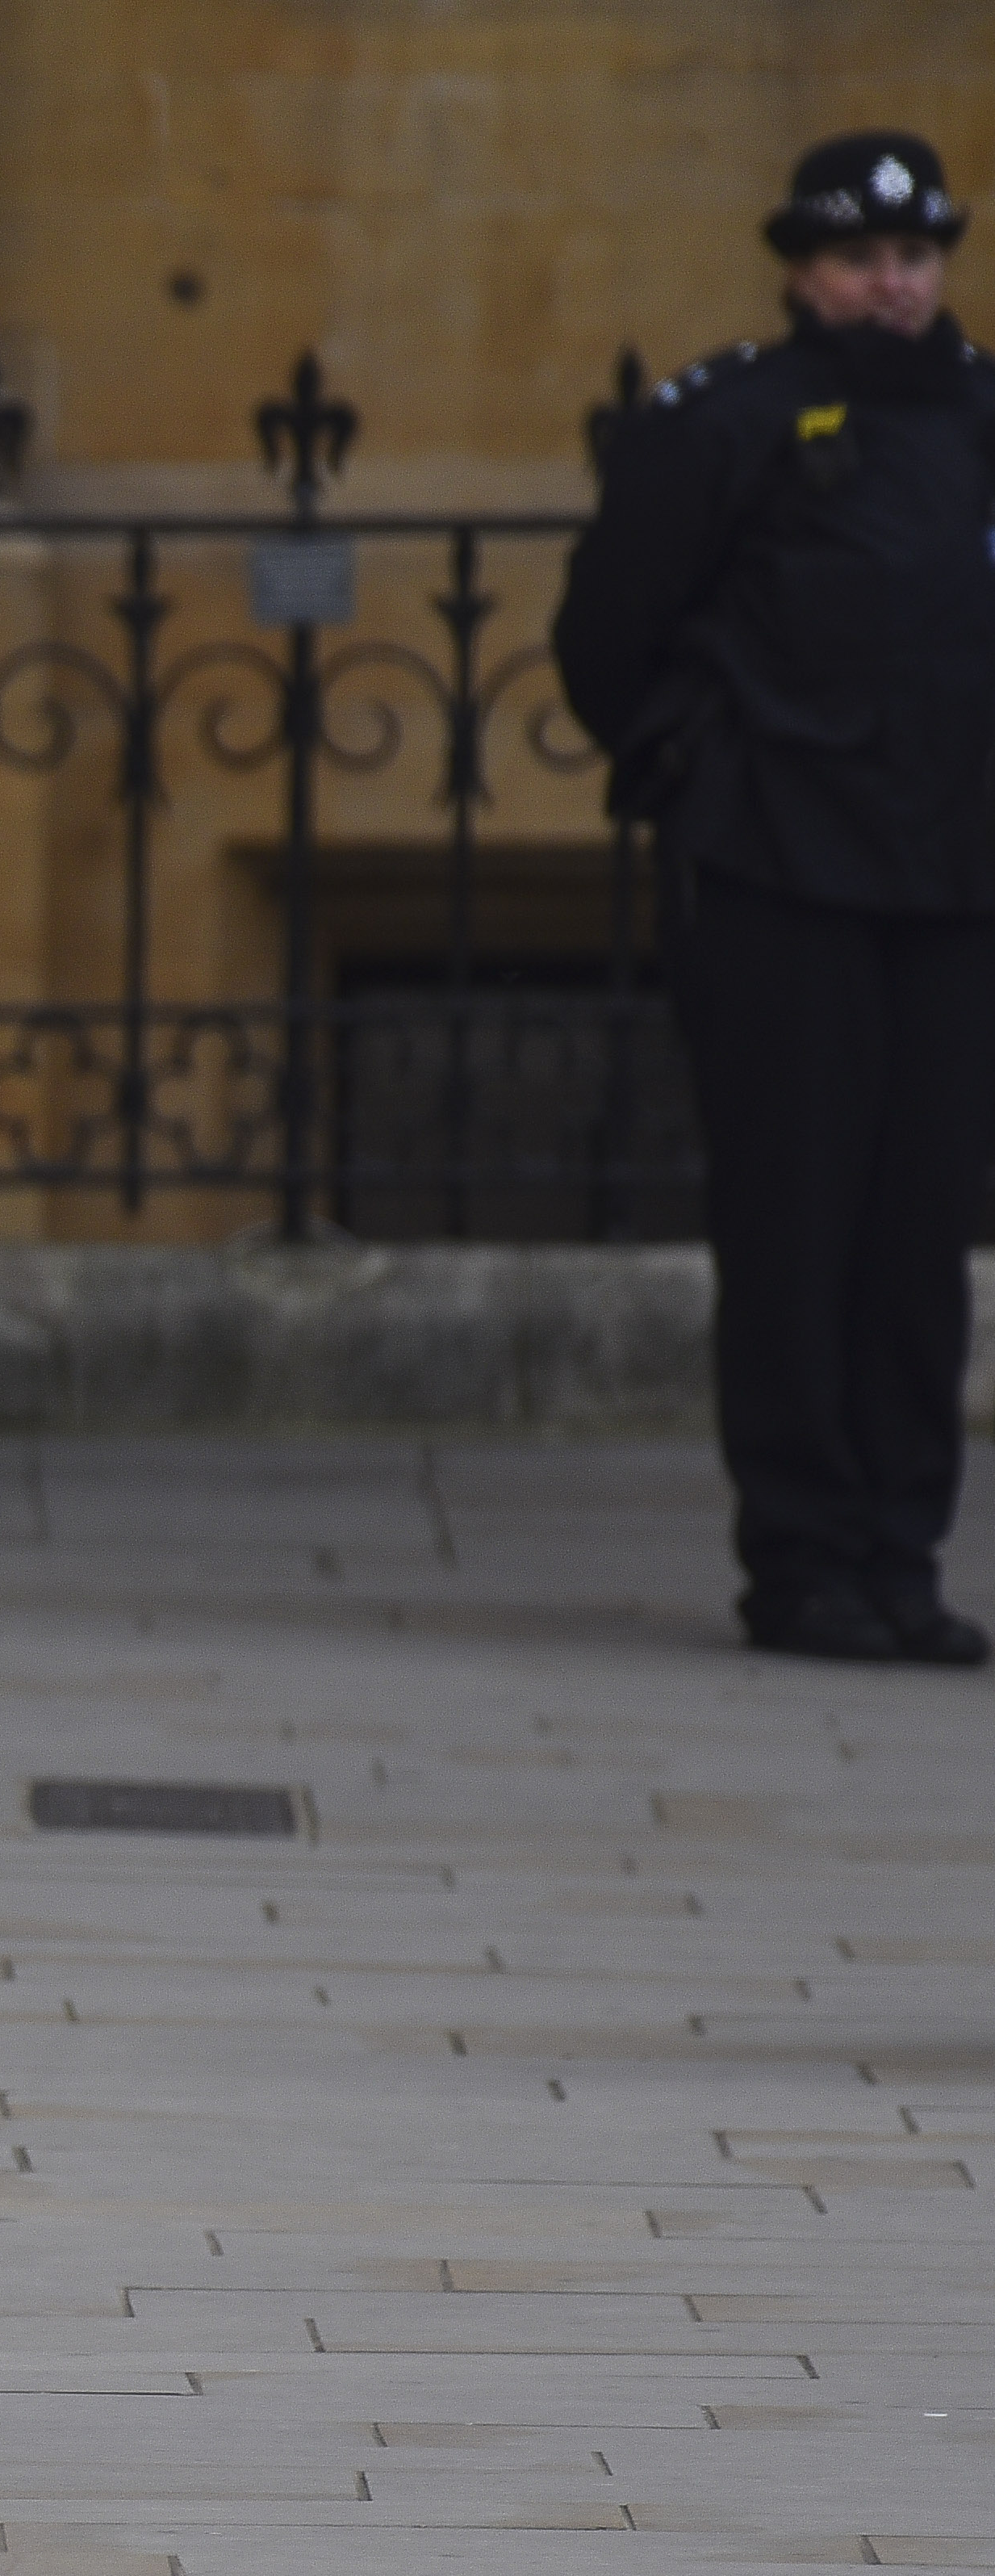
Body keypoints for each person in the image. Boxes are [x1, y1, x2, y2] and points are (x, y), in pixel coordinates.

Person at [556, 130, 995, 1669]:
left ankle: (900, 1548)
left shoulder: (982, 415)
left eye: (918, 255)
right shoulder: (729, 422)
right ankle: (803, 1555)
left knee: (921, 1227)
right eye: (865, 258)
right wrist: (707, 771)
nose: (896, 281)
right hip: (783, 872)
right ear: (803, 268)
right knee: (800, 1216)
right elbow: (610, 639)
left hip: (950, 881)